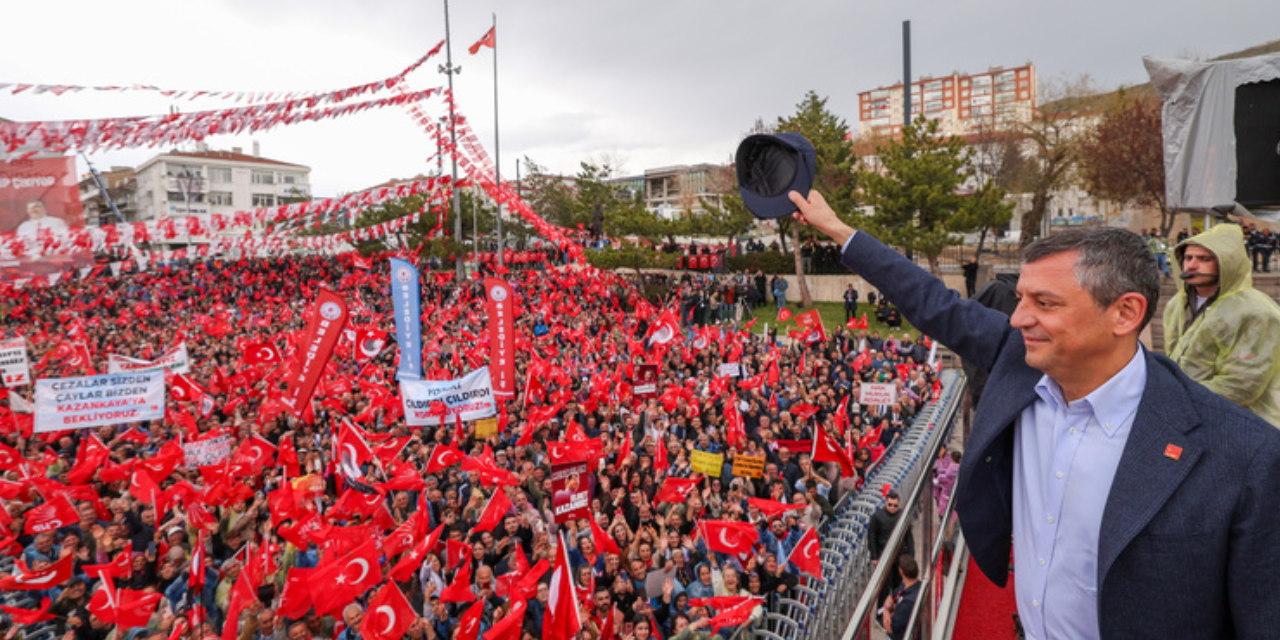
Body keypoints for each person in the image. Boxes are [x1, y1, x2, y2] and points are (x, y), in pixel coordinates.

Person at [788, 188, 1280, 639]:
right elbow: (930, 300)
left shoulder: (1244, 457)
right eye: (1021, 297)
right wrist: (838, 230)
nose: (1019, 317)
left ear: (1125, 314)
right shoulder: (1016, 356)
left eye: (1044, 303)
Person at [1163, 223, 1280, 429]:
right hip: (1192, 419)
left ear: (1227, 263)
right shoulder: (1177, 304)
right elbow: (1175, 358)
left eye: (1204, 259)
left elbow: (1243, 384)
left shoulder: (1256, 311)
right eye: (1188, 258)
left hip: (1246, 425)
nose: (1191, 265)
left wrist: (1177, 394)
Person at [881, 555, 920, 640]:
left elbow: (890, 628)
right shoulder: (907, 585)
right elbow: (891, 597)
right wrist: (887, 608)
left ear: (901, 572)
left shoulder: (908, 602)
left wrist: (885, 612)